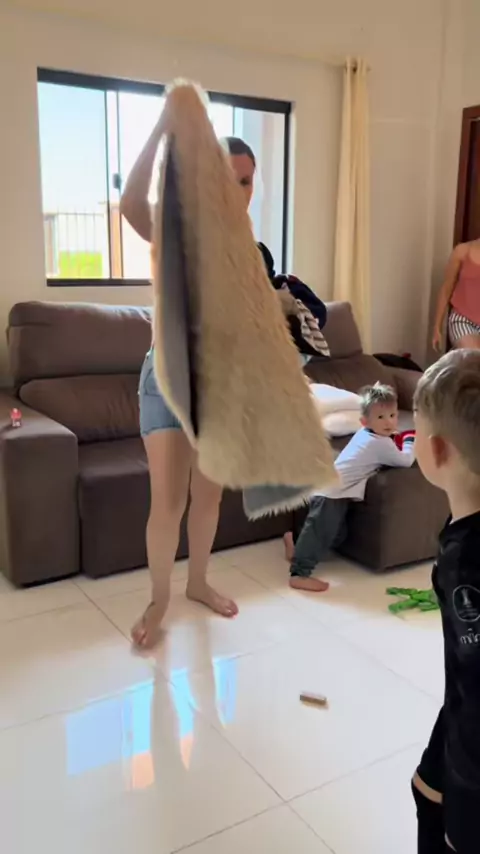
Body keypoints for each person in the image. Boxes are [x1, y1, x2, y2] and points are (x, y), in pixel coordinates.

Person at [121, 123, 324, 648]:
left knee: (207, 498)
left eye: (246, 181)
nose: (237, 190)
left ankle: (197, 583)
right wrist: (163, 129)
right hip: (167, 383)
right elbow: (130, 205)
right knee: (168, 502)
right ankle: (159, 599)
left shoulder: (254, 254)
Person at [412, 349, 480, 854]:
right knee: (425, 789)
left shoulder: (467, 563)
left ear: (436, 451)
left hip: (474, 748)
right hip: (458, 703)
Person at [284, 383, 415, 592]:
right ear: (365, 421)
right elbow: (406, 461)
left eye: (392, 415)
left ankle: (295, 544)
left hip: (331, 489)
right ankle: (299, 573)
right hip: (331, 494)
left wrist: (392, 437)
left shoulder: (365, 434)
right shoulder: (379, 444)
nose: (389, 422)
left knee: (336, 535)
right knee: (321, 532)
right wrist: (409, 440)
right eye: (380, 417)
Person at [432, 239, 480, 352]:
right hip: (463, 319)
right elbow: (446, 289)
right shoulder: (462, 251)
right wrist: (437, 326)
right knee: (474, 355)